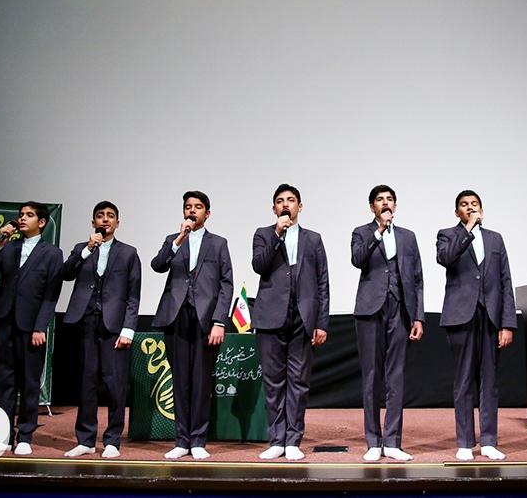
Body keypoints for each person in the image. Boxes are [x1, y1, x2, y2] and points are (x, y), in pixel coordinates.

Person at [151, 191, 233, 460]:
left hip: (205, 320)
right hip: (176, 317)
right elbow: (157, 265)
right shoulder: (172, 240)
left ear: (207, 214)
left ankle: (198, 440)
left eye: (198, 207)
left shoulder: (218, 243)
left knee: (200, 382)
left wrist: (219, 321)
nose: (192, 211)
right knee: (180, 381)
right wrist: (177, 240)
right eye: (188, 207)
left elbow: (226, 284)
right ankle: (181, 440)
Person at [251, 184, 330, 461]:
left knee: (298, 380)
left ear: (300, 206)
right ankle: (276, 439)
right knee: (273, 381)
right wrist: (277, 233)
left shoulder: (313, 239)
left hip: (302, 316)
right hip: (271, 316)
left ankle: (293, 439)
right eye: (280, 201)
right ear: (274, 208)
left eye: (291, 200)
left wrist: (322, 322)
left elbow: (322, 282)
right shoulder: (263, 234)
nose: (286, 204)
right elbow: (259, 266)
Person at [436, 190, 516, 461]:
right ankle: (465, 442)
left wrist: (507, 323)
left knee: (489, 381)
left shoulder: (495, 238)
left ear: (482, 208)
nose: (470, 207)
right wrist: (467, 229)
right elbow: (445, 258)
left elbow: (505, 280)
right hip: (461, 316)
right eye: (464, 205)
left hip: (491, 316)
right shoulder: (448, 235)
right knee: (463, 381)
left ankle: (489, 441)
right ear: (456, 212)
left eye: (474, 204)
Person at [0, 201, 63, 455]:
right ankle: (3, 436)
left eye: (29, 215)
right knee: (5, 380)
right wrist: (1, 240)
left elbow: (51, 294)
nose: (23, 218)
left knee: (29, 382)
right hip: (5, 321)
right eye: (21, 215)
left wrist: (40, 327)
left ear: (42, 222)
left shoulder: (52, 253)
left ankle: (25, 435)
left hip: (31, 326)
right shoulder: (9, 247)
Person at [61, 201, 141, 459]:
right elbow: (66, 273)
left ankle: (112, 440)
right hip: (86, 321)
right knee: (87, 382)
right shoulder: (81, 249)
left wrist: (128, 329)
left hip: (114, 325)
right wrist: (87, 249)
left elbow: (133, 295)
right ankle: (85, 440)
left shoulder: (128, 253)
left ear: (118, 222)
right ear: (93, 222)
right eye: (100, 216)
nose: (105, 219)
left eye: (110, 216)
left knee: (115, 385)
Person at [351, 184, 425, 462]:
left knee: (396, 376)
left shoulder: (408, 236)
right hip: (370, 310)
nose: (386, 203)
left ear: (395, 205)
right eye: (380, 200)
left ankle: (392, 441)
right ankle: (373, 441)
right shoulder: (362, 232)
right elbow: (358, 260)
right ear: (372, 207)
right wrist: (379, 231)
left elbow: (417, 279)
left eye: (390, 199)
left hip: (400, 309)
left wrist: (418, 316)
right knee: (372, 376)